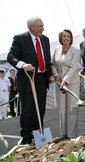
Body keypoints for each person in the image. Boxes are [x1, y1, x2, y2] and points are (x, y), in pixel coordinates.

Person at [7, 16, 54, 144]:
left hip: (42, 79)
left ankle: (37, 134)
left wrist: (50, 75)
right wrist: (22, 64)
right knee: (28, 109)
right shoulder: (20, 39)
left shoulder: (45, 39)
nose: (43, 29)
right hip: (27, 79)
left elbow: (47, 60)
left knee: (41, 108)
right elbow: (11, 56)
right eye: (40, 26)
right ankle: (26, 137)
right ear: (31, 27)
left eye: (43, 26)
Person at [51, 29, 81, 139]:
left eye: (68, 36)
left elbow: (73, 67)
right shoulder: (56, 49)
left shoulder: (76, 50)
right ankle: (63, 134)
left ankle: (72, 135)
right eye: (64, 36)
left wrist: (65, 80)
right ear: (61, 38)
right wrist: (56, 75)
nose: (66, 38)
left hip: (72, 82)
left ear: (71, 38)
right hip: (59, 82)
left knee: (72, 108)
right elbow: (52, 64)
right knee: (62, 109)